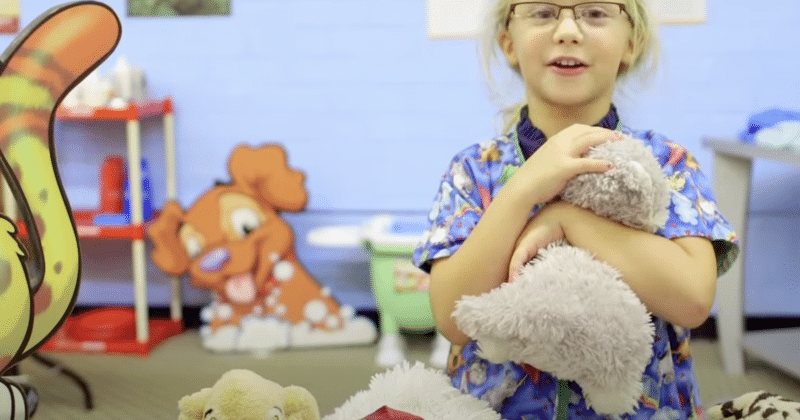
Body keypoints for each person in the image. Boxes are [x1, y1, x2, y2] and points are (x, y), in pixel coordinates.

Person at [412, 1, 740, 419]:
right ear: (509, 44)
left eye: (596, 13)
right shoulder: (473, 171)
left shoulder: (667, 162)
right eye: (543, 13)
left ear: (631, 44)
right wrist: (525, 189)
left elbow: (693, 299)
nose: (568, 30)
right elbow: (453, 318)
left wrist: (565, 218)